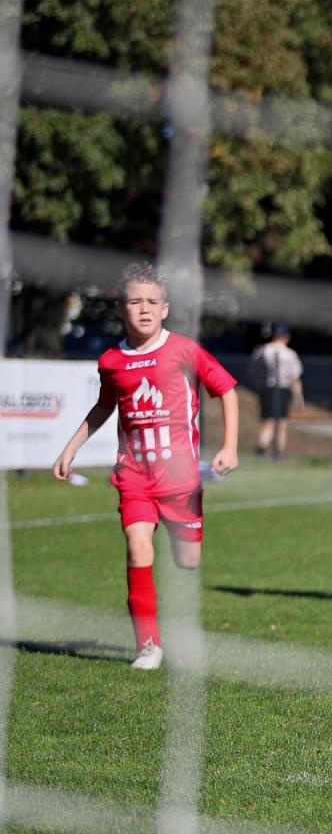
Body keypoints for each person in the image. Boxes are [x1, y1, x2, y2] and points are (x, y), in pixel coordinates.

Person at [51, 262, 240, 669]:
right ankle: (148, 645)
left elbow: (225, 390)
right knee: (139, 552)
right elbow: (104, 407)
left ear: (166, 308)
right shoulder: (111, 362)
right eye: (135, 301)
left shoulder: (184, 350)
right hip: (134, 477)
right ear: (121, 308)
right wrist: (71, 448)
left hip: (182, 481)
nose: (144, 309)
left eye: (153, 301)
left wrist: (229, 446)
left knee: (187, 560)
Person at [251, 322, 304, 459]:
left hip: (267, 388)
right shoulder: (290, 354)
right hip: (282, 389)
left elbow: (254, 370)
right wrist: (299, 399)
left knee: (268, 420)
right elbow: (295, 379)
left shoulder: (262, 350)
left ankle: (262, 448)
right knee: (281, 422)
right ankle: (277, 451)